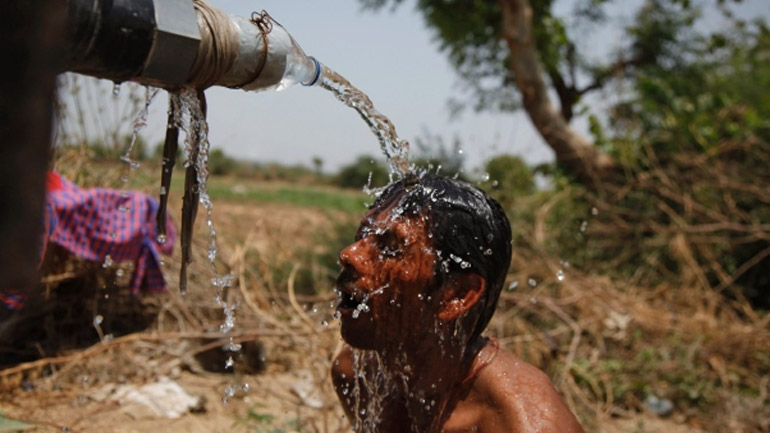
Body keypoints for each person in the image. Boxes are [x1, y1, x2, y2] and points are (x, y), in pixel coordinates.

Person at [331, 173, 584, 433]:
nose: (349, 254)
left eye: (391, 247)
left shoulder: (524, 423)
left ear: (458, 295)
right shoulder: (359, 375)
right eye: (363, 235)